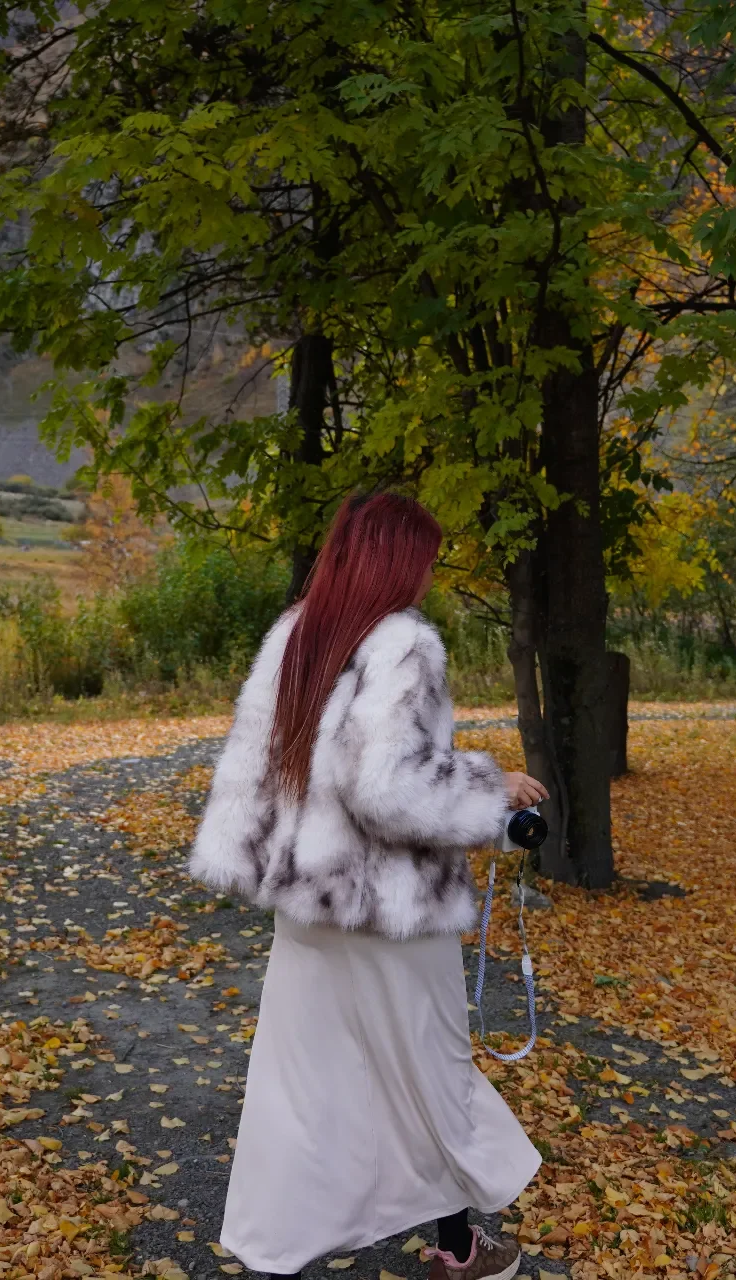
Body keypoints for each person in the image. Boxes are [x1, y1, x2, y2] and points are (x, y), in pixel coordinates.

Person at [190, 493, 548, 1280]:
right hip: (388, 910)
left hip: (310, 907)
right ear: (400, 561)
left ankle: (275, 1249)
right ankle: (459, 1247)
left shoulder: (299, 632)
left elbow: (269, 770)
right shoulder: (403, 644)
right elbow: (385, 787)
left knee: (301, 1081)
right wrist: (493, 789)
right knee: (429, 1071)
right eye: (425, 559)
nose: (428, 577)